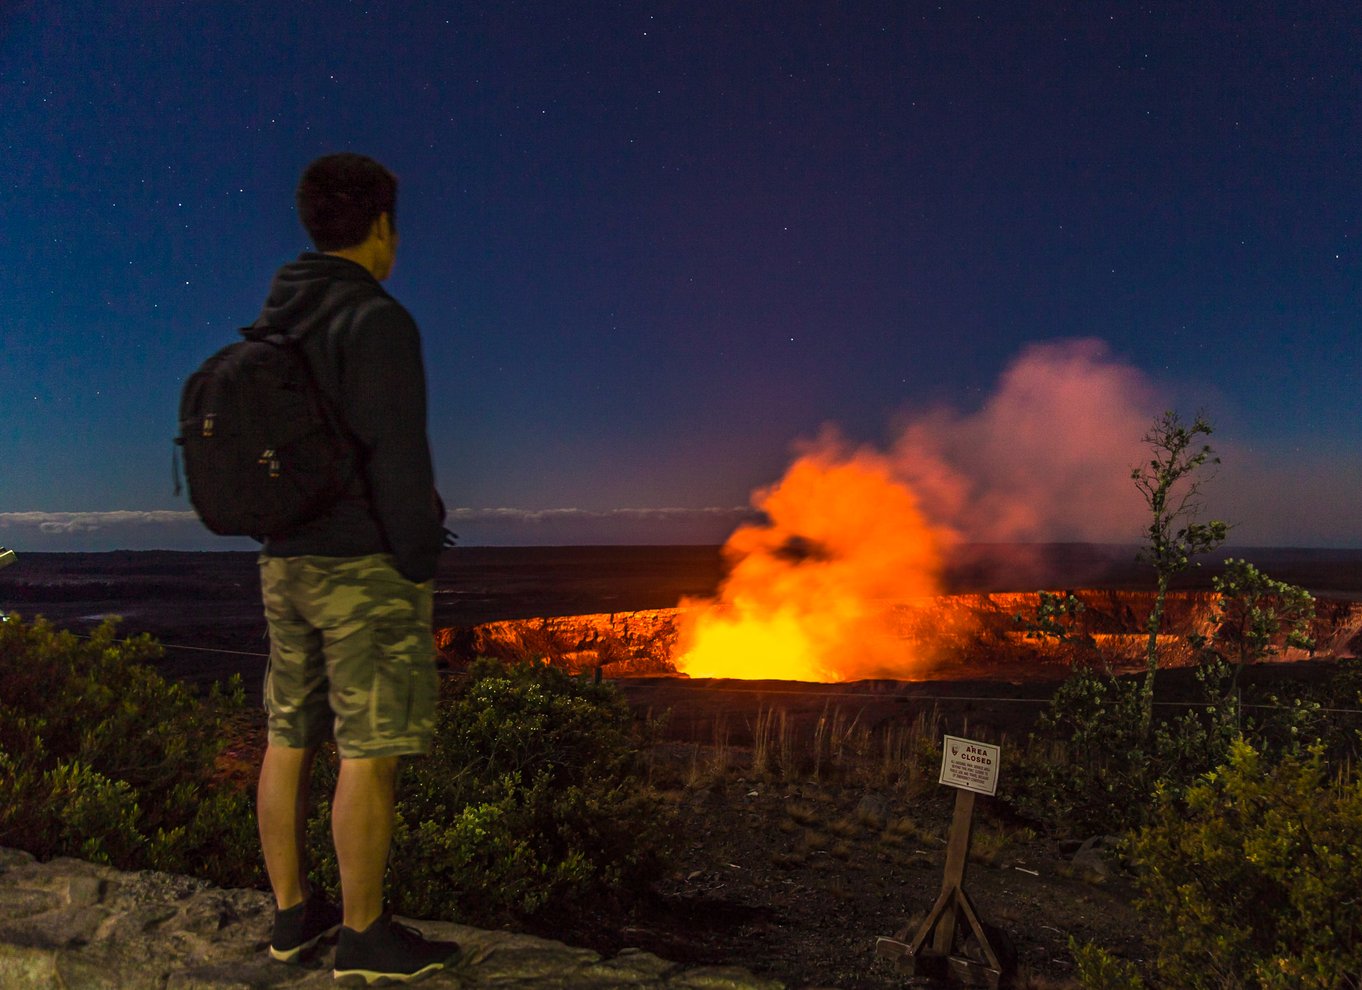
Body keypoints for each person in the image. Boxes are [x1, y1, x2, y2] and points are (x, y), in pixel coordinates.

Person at [250, 152, 457, 985]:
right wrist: (416, 557)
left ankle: (293, 916)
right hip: (360, 568)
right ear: (379, 226)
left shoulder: (277, 316)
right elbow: (399, 459)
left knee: (287, 735)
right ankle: (364, 937)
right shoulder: (377, 320)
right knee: (369, 749)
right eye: (394, 226)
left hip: (284, 562)